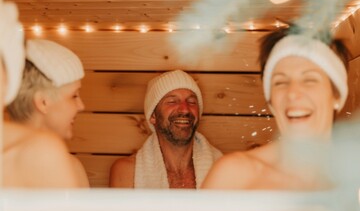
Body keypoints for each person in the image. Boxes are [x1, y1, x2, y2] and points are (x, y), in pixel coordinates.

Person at [202, 27, 350, 190]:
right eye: (280, 82)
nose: (292, 93)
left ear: (337, 95)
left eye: (309, 80)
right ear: (271, 102)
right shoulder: (234, 176)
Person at [1, 16, 89, 188]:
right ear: (43, 102)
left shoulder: (73, 166)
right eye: (74, 96)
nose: (81, 106)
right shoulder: (48, 155)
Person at [110, 70, 222, 188]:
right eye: (172, 101)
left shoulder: (222, 169)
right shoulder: (126, 172)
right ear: (153, 116)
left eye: (191, 102)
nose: (185, 109)